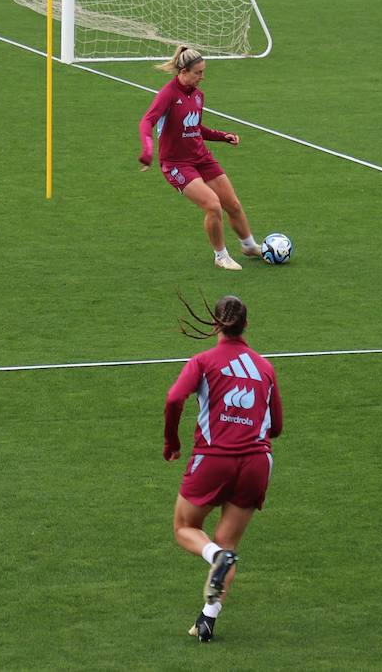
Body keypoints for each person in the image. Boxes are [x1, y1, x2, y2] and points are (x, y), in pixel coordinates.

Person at [164, 293, 282, 643]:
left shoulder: (203, 362)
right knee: (228, 539)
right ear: (247, 325)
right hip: (257, 463)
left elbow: (173, 398)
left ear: (216, 324)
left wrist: (172, 441)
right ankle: (208, 619)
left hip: (214, 458)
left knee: (186, 527)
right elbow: (275, 427)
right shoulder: (265, 367)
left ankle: (217, 557)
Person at [138, 45, 264, 271]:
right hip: (176, 164)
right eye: (198, 73)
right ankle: (221, 256)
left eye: (203, 72)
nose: (202, 77)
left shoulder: (197, 96)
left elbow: (195, 127)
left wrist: (222, 137)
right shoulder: (168, 94)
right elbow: (146, 121)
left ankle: (249, 245)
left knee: (232, 204)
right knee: (213, 205)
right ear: (183, 71)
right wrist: (148, 150)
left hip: (201, 158)